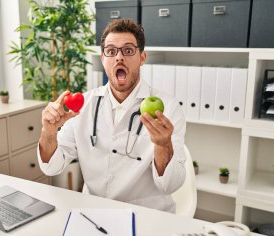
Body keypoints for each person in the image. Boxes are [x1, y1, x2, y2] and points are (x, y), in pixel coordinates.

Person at [37, 19, 186, 213]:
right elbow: (51, 167)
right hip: (94, 213)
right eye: (111, 51)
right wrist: (48, 133)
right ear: (103, 58)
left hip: (147, 216)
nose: (119, 58)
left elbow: (169, 186)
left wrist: (163, 145)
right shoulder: (85, 104)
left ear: (142, 57)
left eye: (128, 50)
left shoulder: (167, 108)